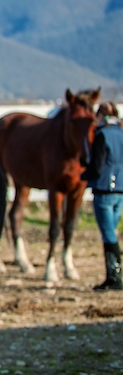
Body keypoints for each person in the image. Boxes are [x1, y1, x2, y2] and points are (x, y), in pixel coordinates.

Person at [82, 101, 123, 291]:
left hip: (104, 189)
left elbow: (97, 166)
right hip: (120, 190)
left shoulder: (102, 135)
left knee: (108, 235)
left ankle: (114, 277)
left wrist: (83, 175)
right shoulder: (121, 133)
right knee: (112, 232)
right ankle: (115, 275)